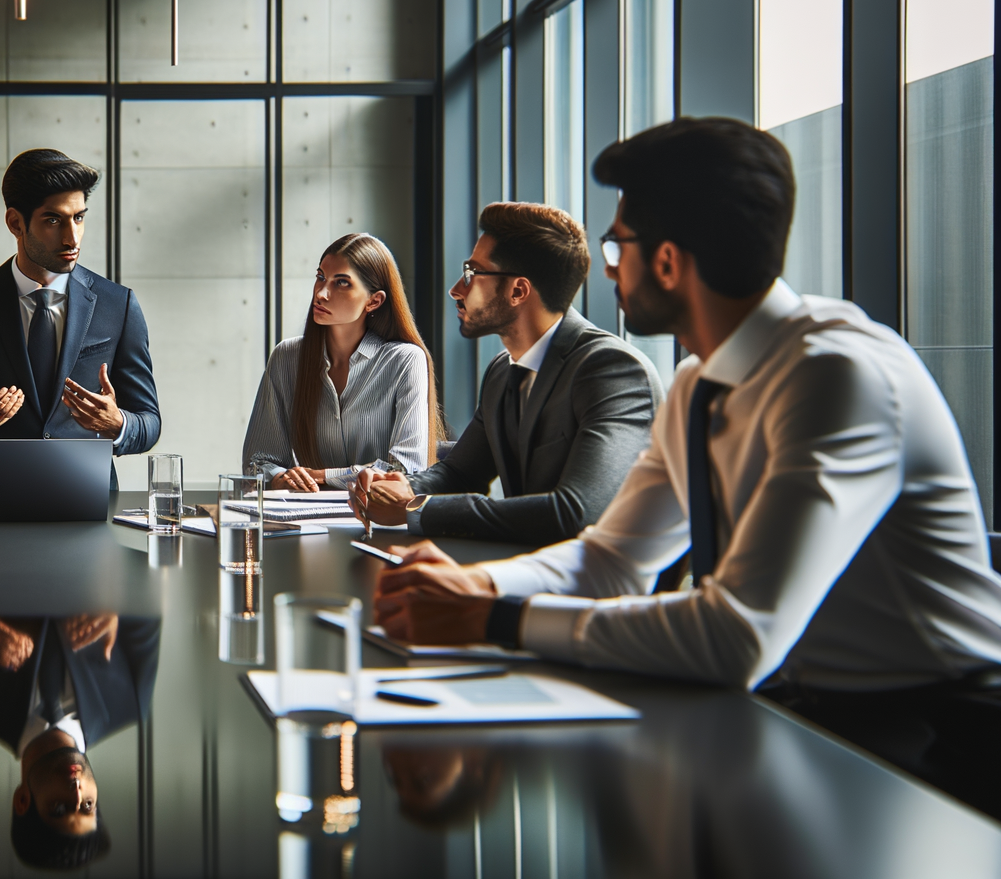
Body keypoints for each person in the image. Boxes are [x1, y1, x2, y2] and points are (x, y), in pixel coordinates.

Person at [371, 117, 1001, 817]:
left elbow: (736, 636)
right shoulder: (702, 385)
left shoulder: (835, 377)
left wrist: (491, 617)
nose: (607, 266)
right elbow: (609, 561)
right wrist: (470, 582)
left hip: (939, 746)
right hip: (803, 712)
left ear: (667, 261)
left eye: (617, 245)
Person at [349, 204, 663, 542]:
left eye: (472, 273)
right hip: (524, 572)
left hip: (596, 589)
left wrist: (417, 508)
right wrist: (401, 486)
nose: (457, 289)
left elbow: (575, 512)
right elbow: (459, 473)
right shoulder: (502, 371)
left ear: (518, 291)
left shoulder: (613, 370)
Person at [0, 149, 161, 481]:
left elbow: (149, 421)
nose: (72, 237)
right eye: (53, 220)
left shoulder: (118, 305)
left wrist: (118, 424)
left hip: (89, 504)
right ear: (16, 223)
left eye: (79, 217)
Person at [0, 611, 160, 870]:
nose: (77, 792)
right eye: (87, 806)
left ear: (23, 800)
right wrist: (118, 612)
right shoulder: (131, 702)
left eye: (59, 808)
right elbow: (151, 605)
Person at [243, 233, 444, 491]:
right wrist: (283, 478)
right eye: (321, 277)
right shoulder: (287, 357)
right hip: (305, 518)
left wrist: (324, 476)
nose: (322, 293)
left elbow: (406, 468)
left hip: (379, 520)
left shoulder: (405, 360)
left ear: (374, 300)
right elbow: (258, 462)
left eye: (342, 283)